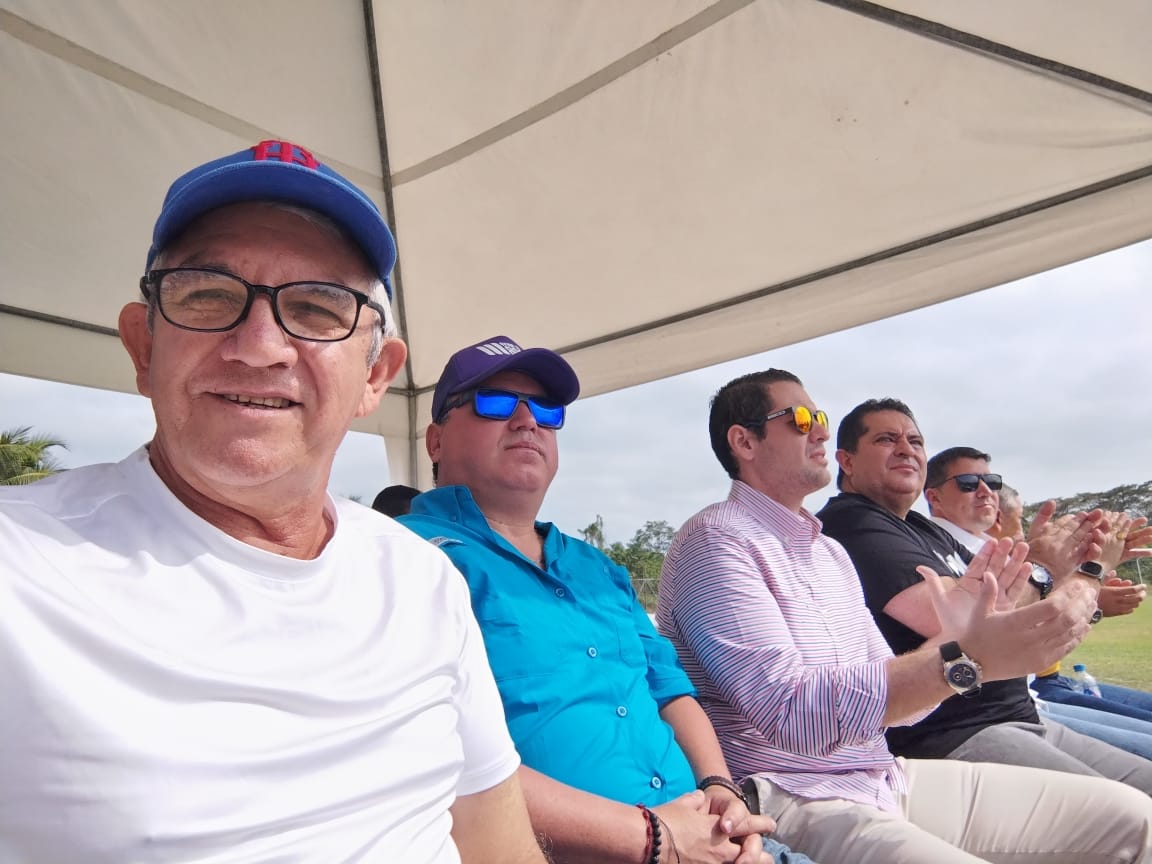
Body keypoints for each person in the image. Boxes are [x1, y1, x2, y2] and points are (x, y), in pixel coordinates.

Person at [0, 141, 544, 863]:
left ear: (375, 377)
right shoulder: (21, 567)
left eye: (318, 309)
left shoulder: (420, 580)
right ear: (143, 348)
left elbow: (500, 848)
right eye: (207, 295)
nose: (259, 346)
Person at [657, 369, 1152, 864]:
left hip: (882, 776)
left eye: (821, 418)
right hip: (792, 792)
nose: (822, 432)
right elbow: (789, 713)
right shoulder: (716, 541)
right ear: (744, 441)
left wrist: (957, 638)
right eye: (801, 419)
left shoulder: (828, 552)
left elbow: (908, 702)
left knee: (1136, 819)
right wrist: (963, 656)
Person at [401, 336, 810, 864]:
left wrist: (720, 789)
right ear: (436, 441)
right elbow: (436, 753)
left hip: (711, 837)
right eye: (495, 403)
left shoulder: (596, 568)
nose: (527, 421)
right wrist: (655, 837)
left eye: (546, 411)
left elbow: (669, 690)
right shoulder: (407, 557)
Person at [817, 398, 1152, 794]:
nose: (906, 449)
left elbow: (1025, 611)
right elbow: (964, 624)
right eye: (887, 440)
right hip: (955, 733)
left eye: (915, 441)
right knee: (1131, 813)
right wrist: (1068, 569)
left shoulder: (923, 529)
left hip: (1017, 715)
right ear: (846, 460)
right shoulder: (853, 524)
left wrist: (1077, 562)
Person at [925, 448, 1152, 754]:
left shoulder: (981, 549)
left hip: (1023, 700)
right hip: (1001, 712)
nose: (985, 491)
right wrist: (1092, 575)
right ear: (934, 497)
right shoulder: (944, 552)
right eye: (968, 483)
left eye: (991, 482)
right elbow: (1016, 630)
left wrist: (1081, 579)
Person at [985, 484, 1152, 722]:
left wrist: (1089, 591)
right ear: (998, 518)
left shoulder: (1012, 561)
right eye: (1020, 518)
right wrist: (1094, 580)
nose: (1023, 530)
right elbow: (1025, 629)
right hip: (1034, 688)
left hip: (1048, 680)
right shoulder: (986, 566)